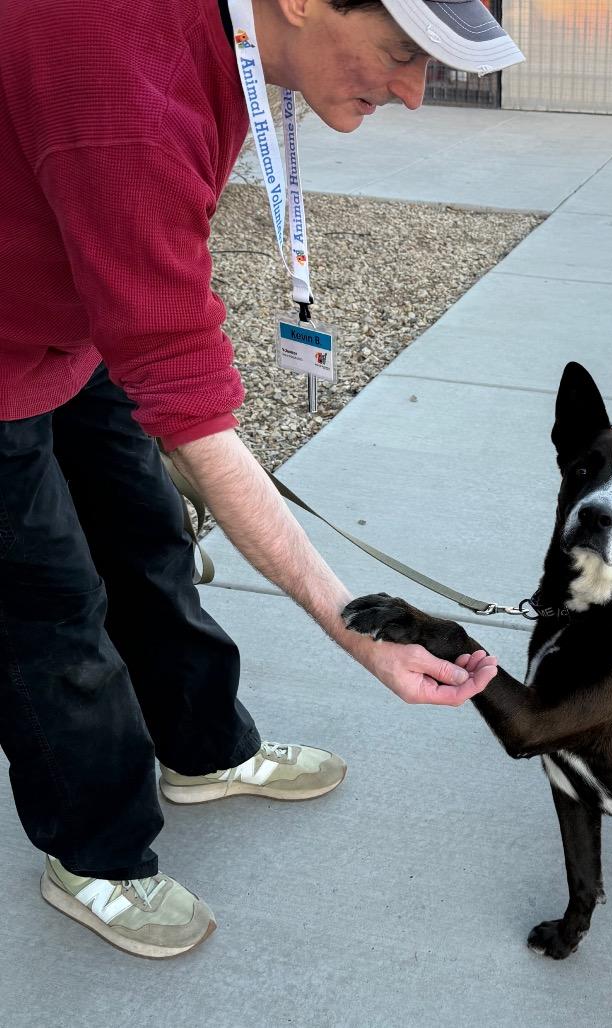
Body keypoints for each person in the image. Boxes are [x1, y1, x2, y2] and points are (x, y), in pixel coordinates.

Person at [0, 0, 521, 959]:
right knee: (47, 613)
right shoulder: (127, 89)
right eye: (402, 52)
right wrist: (358, 630)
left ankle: (202, 751)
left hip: (68, 320)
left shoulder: (231, 39)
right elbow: (191, 407)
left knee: (149, 539)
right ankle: (96, 855)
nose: (411, 92)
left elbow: (154, 299)